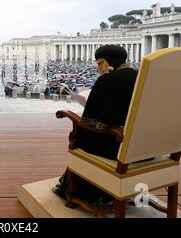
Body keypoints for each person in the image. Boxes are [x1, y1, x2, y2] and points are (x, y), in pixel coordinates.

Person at [53, 45, 138, 205]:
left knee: (79, 140)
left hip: (116, 147)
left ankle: (77, 192)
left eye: (100, 63)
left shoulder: (108, 79)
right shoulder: (139, 75)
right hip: (140, 146)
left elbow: (93, 121)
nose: (98, 67)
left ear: (110, 61)